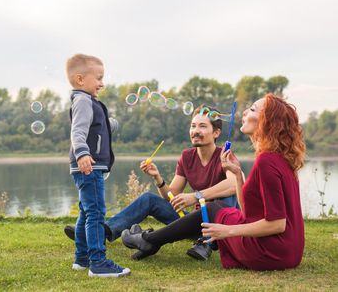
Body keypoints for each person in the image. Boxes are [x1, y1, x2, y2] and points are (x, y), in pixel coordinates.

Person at [122, 94, 306, 271]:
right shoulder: (279, 158)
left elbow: (277, 224)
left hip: (268, 252)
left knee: (213, 208)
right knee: (214, 208)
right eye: (193, 126)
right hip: (287, 252)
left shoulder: (266, 161)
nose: (244, 112)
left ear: (267, 120)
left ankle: (148, 240)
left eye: (252, 109)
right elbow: (249, 211)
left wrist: (227, 231)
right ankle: (149, 240)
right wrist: (237, 176)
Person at [65, 105, 238, 261]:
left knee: (227, 195)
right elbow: (173, 196)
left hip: (218, 224)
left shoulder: (225, 155)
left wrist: (196, 196)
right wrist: (158, 178)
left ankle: (206, 243)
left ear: (216, 133)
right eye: (193, 126)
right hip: (191, 222)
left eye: (202, 126)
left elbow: (233, 185)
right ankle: (102, 232)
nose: (195, 130)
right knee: (148, 199)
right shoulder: (187, 157)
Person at [65, 54, 130, 277]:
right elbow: (79, 131)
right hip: (89, 165)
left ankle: (81, 259)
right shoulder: (83, 100)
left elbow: (95, 129)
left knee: (86, 212)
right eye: (99, 78)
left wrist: (109, 124)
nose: (102, 83)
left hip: (88, 166)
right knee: (96, 213)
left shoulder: (87, 100)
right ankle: (98, 262)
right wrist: (82, 153)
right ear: (81, 79)